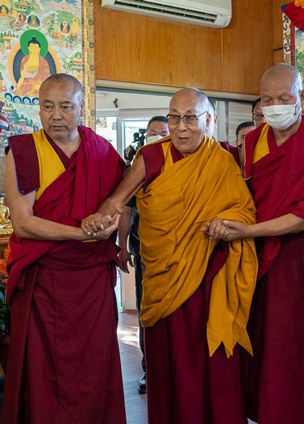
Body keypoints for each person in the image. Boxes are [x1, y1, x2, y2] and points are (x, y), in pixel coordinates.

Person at [83, 87, 258, 423]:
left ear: (209, 120)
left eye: (191, 118)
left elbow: (245, 209)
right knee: (169, 361)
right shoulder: (151, 158)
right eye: (175, 117)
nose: (181, 127)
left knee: (211, 361)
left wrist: (228, 222)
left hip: (209, 273)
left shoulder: (223, 159)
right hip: (165, 276)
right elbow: (118, 199)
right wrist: (100, 219)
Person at [216, 63, 304, 423]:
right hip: (260, 261)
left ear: (303, 98)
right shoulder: (251, 142)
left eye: (284, 98)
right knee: (266, 347)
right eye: (267, 99)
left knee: (302, 350)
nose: (275, 106)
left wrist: (248, 232)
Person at [0, 74, 126, 424]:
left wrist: (109, 226)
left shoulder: (101, 150)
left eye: (66, 106)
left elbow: (119, 204)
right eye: (47, 106)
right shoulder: (23, 151)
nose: (56, 115)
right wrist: (79, 234)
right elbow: (23, 222)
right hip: (46, 279)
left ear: (81, 107)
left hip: (91, 283)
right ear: (38, 108)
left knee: (95, 365)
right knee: (46, 370)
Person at [116, 115, 169, 395]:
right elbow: (125, 209)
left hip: (179, 251)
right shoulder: (139, 166)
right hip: (146, 250)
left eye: (163, 132)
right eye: (152, 132)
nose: (157, 136)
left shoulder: (184, 162)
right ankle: (150, 369)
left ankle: (175, 366)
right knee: (146, 310)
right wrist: (122, 246)